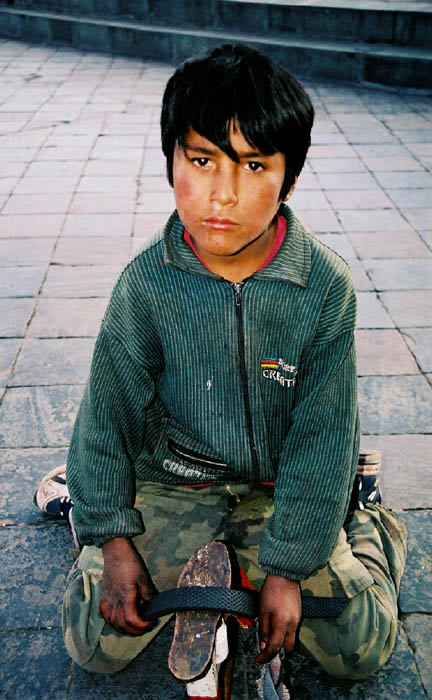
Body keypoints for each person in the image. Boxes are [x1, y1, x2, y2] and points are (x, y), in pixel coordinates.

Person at [35, 44, 407, 694]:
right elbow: (105, 419)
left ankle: (366, 515)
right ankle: (95, 516)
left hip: (279, 489)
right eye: (201, 160)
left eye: (253, 165)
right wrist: (114, 543)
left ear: (289, 179)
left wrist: (289, 570)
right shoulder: (146, 283)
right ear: (172, 160)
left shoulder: (322, 289)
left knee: (359, 644)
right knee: (94, 637)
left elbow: (322, 439)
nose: (222, 194)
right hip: (174, 485)